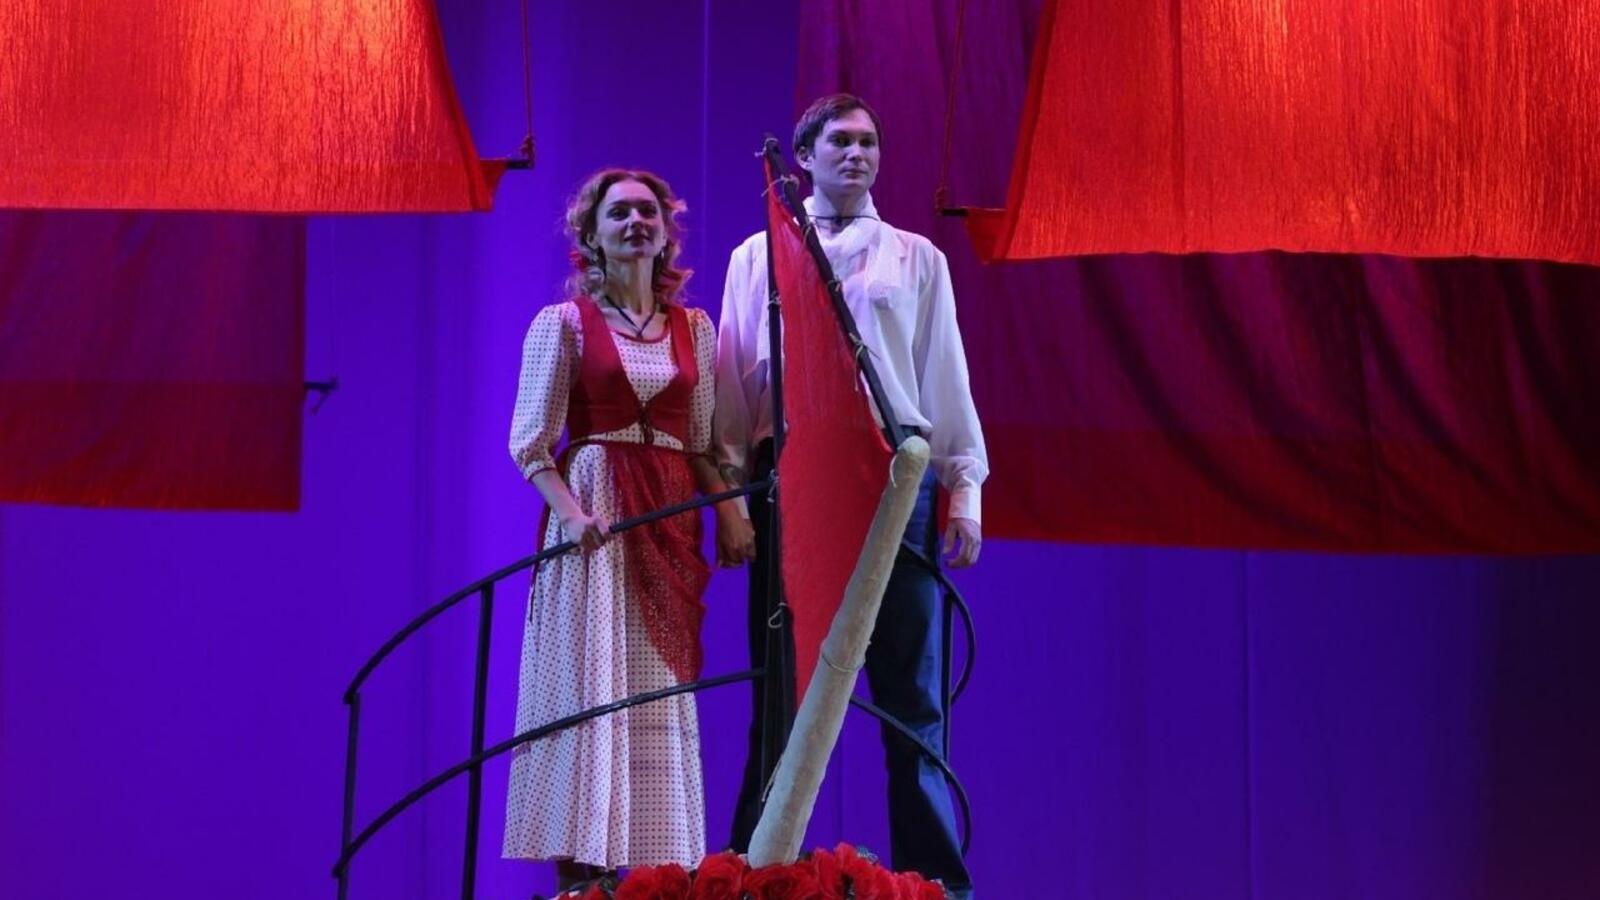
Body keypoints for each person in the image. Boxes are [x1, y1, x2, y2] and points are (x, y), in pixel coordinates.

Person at [715, 94, 987, 898]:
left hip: (895, 482)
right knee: (782, 691)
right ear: (804, 156)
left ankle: (936, 882)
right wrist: (732, 495)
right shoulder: (758, 255)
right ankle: (750, 874)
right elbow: (735, 382)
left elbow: (943, 374)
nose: (858, 154)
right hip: (792, 474)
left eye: (870, 141)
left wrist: (965, 488)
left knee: (912, 697)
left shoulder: (916, 258)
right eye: (841, 141)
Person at [503, 169, 754, 892]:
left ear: (666, 231)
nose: (636, 222)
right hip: (596, 517)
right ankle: (581, 880)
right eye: (619, 213)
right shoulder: (563, 324)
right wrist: (571, 512)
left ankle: (650, 878)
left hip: (667, 514)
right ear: (591, 234)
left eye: (648, 212)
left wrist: (730, 512)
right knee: (591, 687)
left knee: (654, 687)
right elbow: (530, 444)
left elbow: (701, 443)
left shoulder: (694, 329)